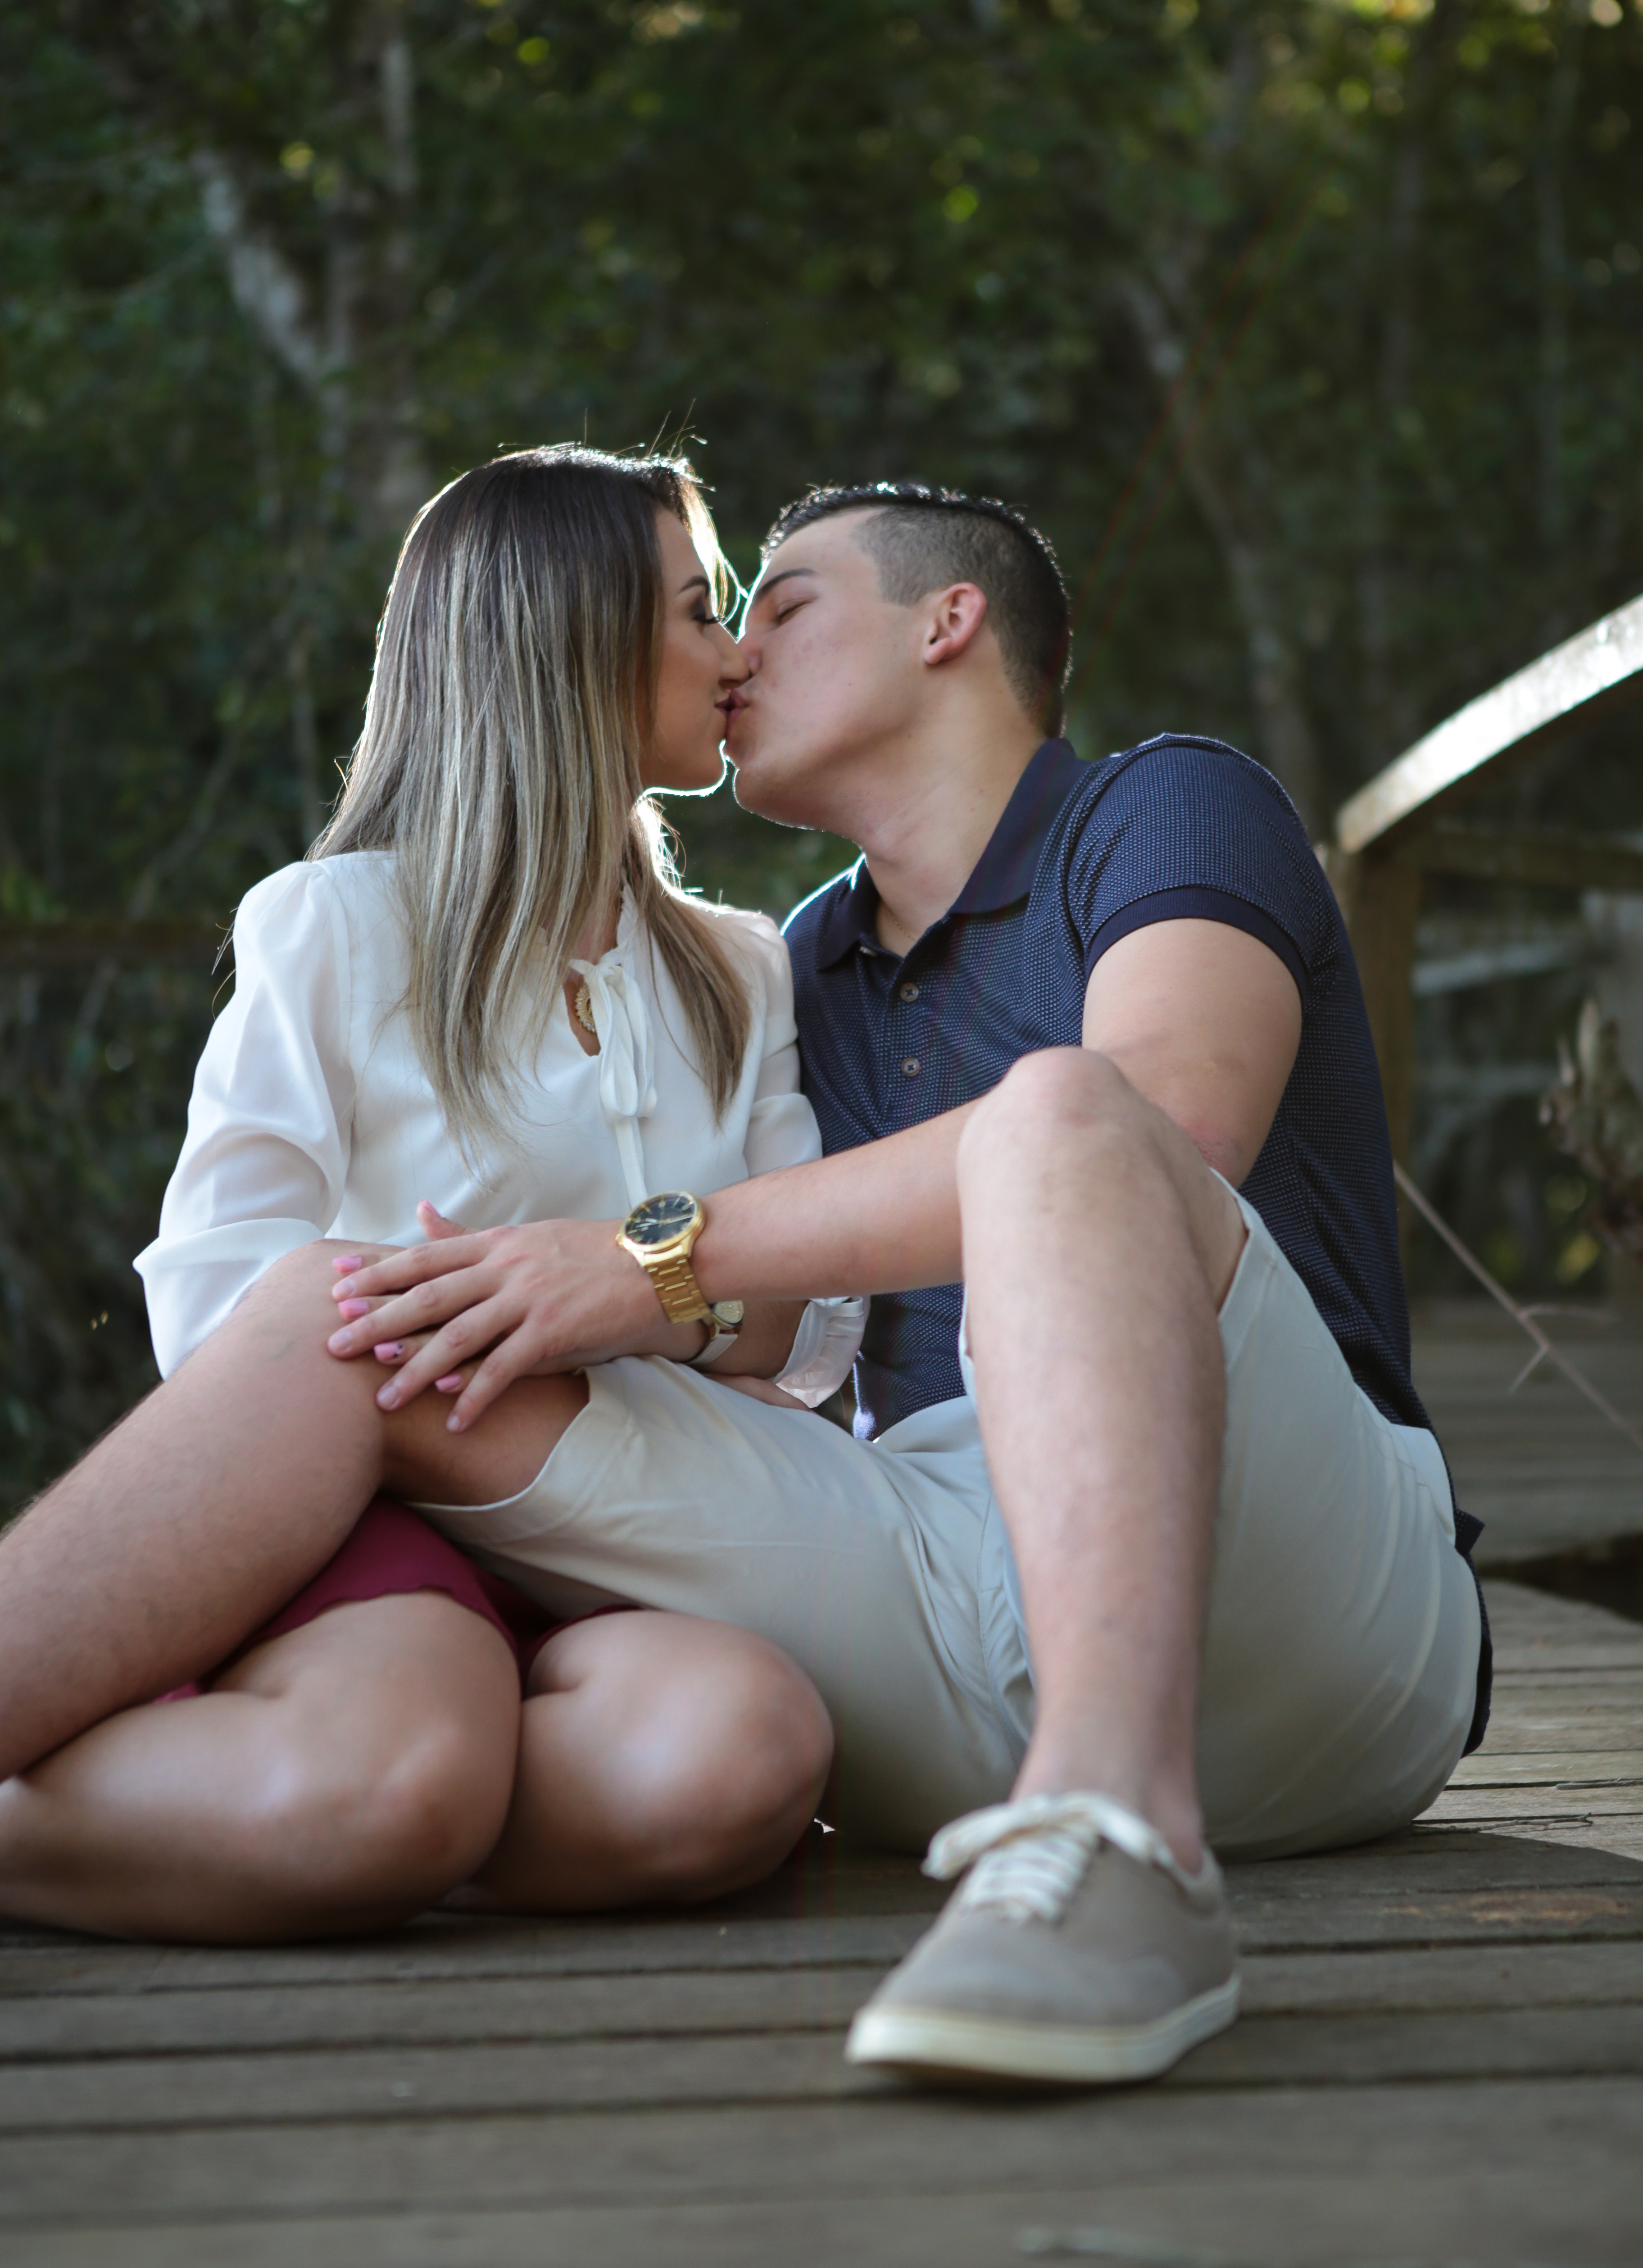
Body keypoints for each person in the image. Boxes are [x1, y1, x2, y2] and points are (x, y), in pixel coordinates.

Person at [0, 472, 1485, 2093]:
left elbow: (1172, 1117)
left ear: (947, 622)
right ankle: (348, 1782)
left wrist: (651, 1263)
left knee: (1068, 1111)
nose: (735, 655)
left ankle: (1120, 1838)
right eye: (711, 612)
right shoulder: (806, 959)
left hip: (1295, 1583)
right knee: (417, 1397)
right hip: (924, 1577)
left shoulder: (1160, 809)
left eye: (772, 605)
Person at [0, 445, 856, 1940]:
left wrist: (624, 1292)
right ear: (568, 639)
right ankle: (300, 1801)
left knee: (737, 1761)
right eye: (696, 609)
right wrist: (455, 1324)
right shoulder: (333, 925)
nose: (738, 652)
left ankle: (319, 1820)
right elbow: (222, 1296)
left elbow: (818, 1319)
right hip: (378, 1505)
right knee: (395, 1781)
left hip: (634, 1516)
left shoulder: (741, 962)